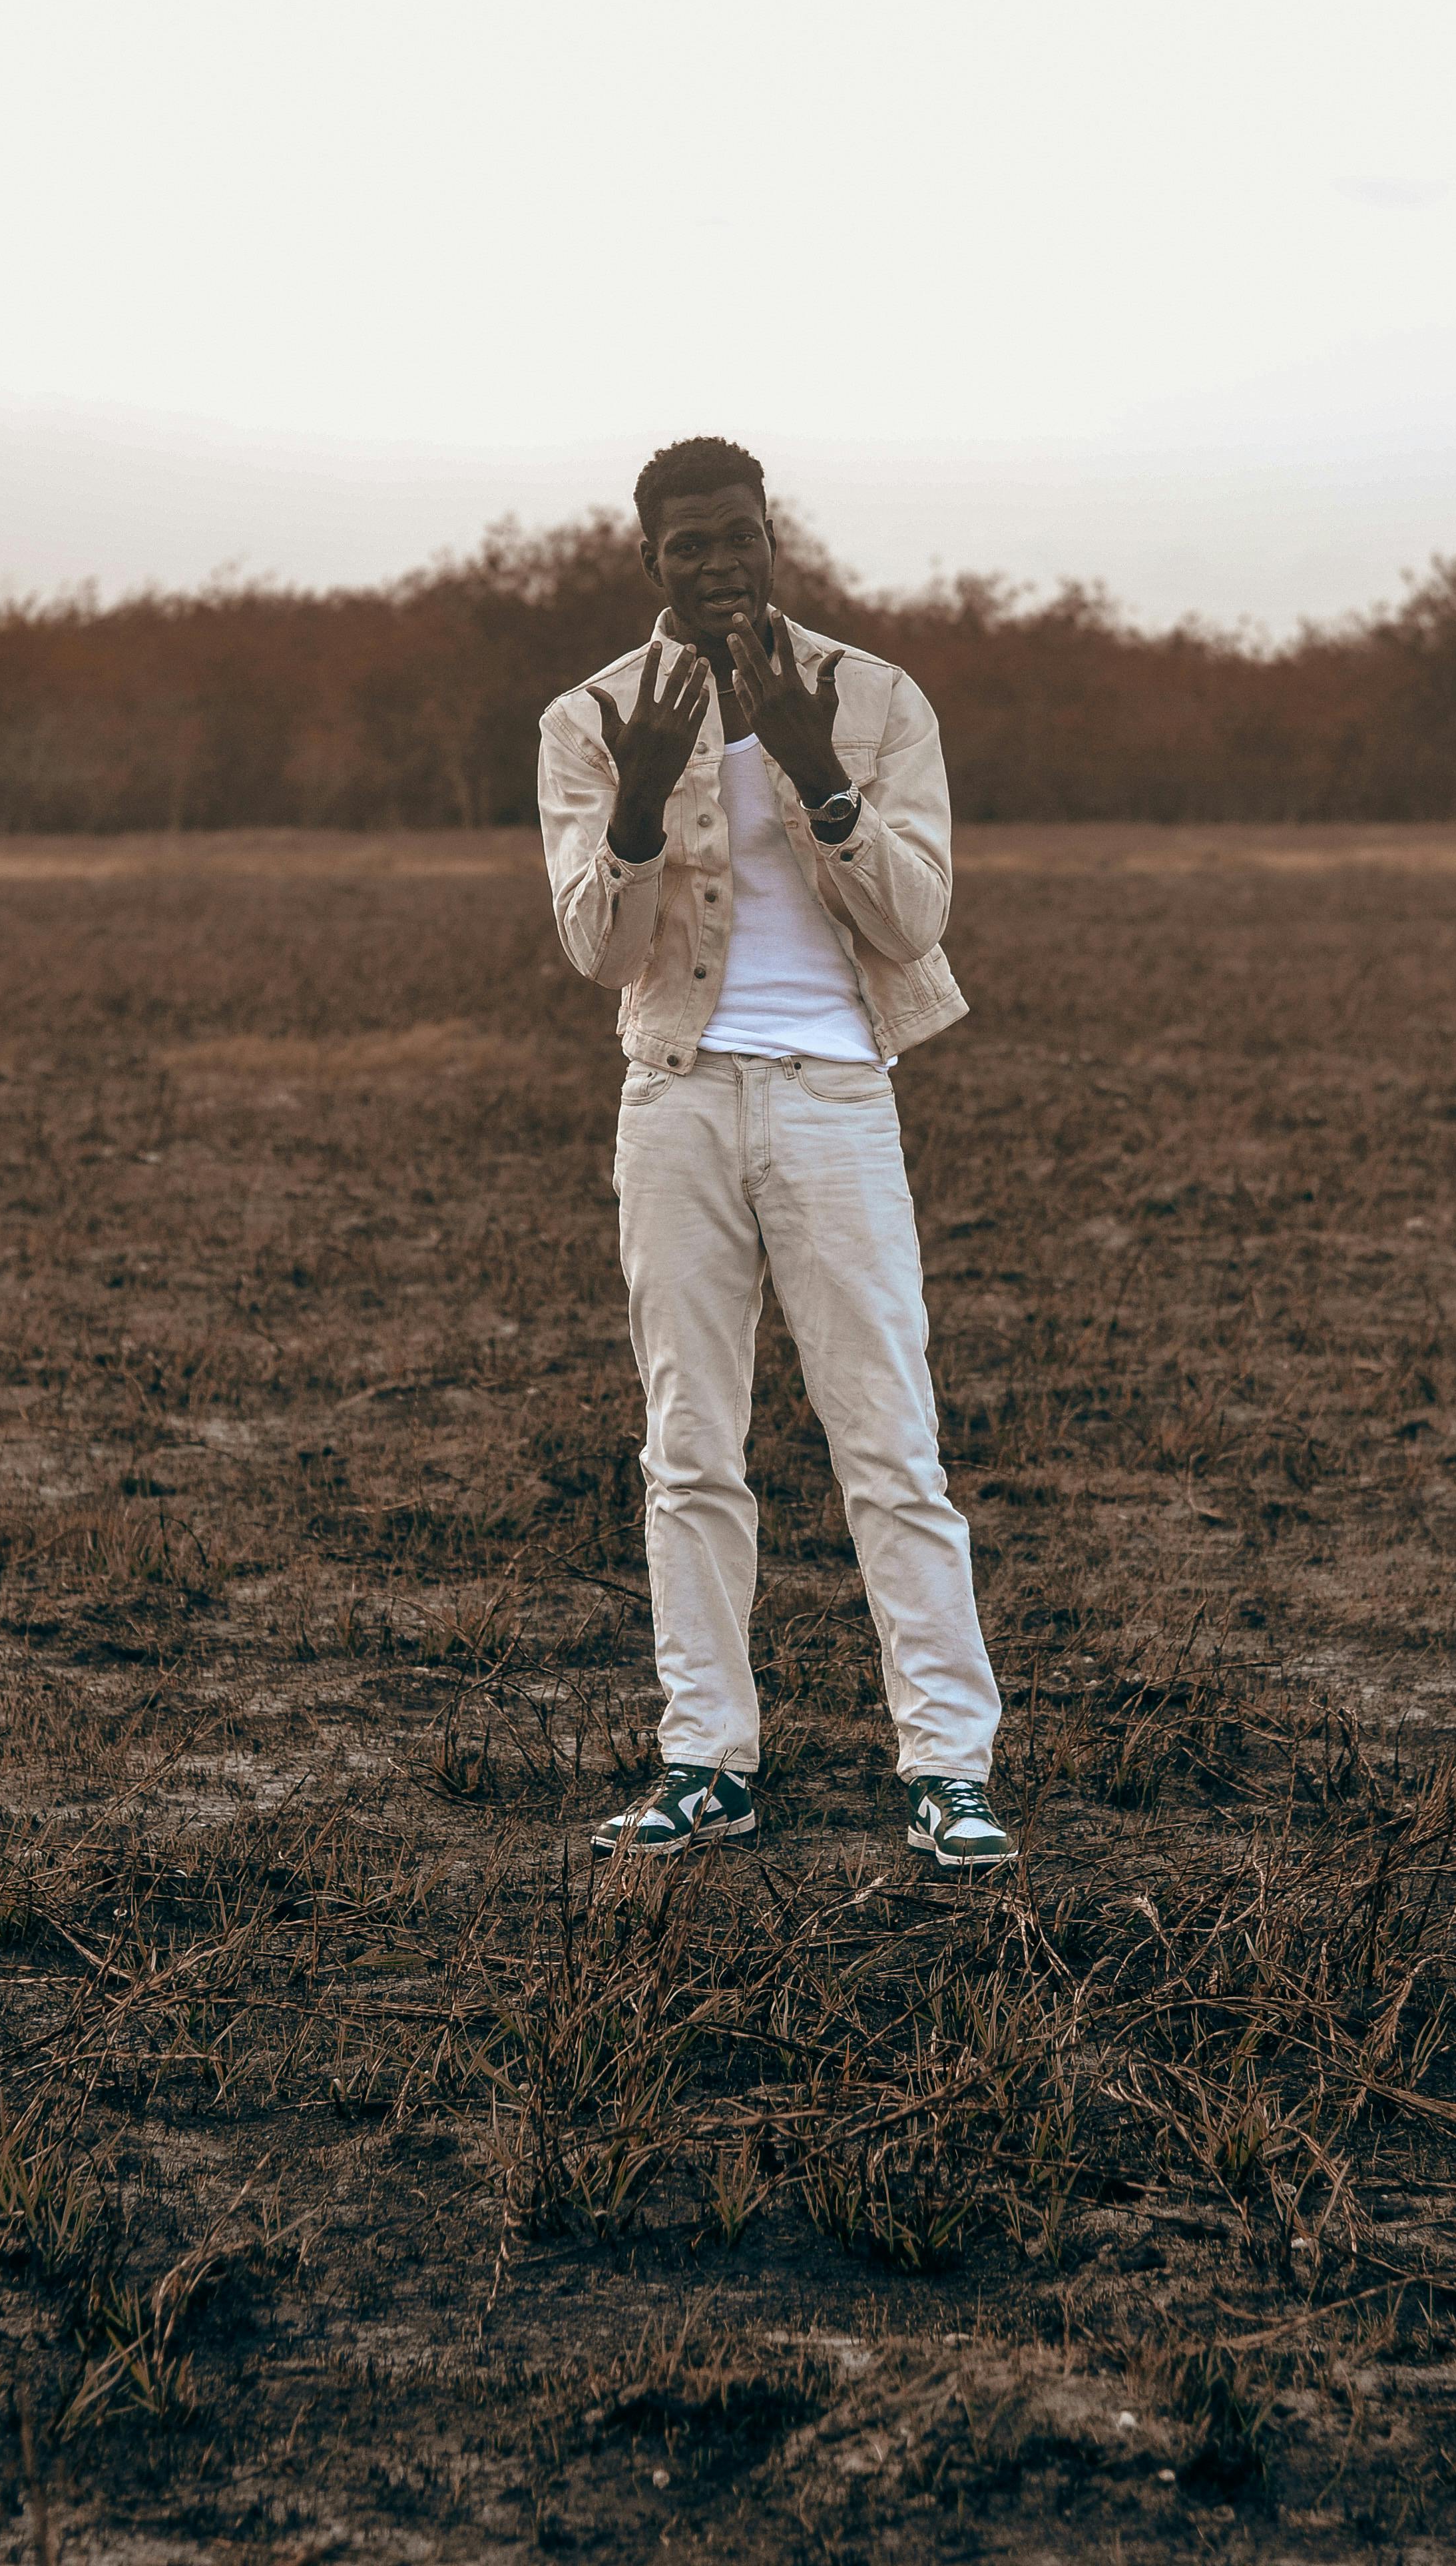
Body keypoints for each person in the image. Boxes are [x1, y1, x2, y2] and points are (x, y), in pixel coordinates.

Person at [535, 434, 1017, 1873]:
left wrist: (821, 782)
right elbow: (591, 948)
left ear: (771, 535)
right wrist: (636, 807)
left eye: (738, 534)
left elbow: (915, 918)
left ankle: (946, 1768)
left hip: (834, 1097)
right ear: (651, 560)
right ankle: (708, 1760)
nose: (719, 562)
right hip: (674, 1098)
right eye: (687, 545)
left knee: (891, 1442)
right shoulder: (592, 717)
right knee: (690, 1447)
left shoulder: (870, 699)